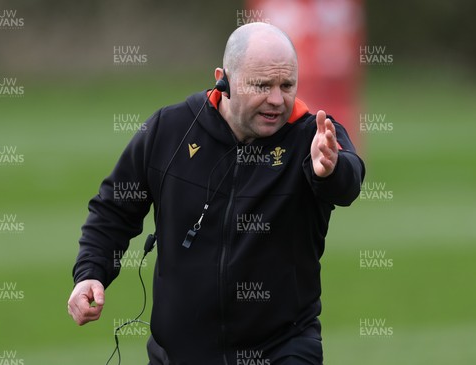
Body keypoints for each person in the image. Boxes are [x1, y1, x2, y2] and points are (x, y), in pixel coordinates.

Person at [67, 22, 365, 365]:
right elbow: (114, 210)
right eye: (262, 85)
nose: (277, 99)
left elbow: (348, 181)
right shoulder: (170, 129)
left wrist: (329, 170)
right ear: (224, 80)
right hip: (179, 355)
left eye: (287, 85)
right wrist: (91, 273)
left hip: (283, 351)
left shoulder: (311, 136)